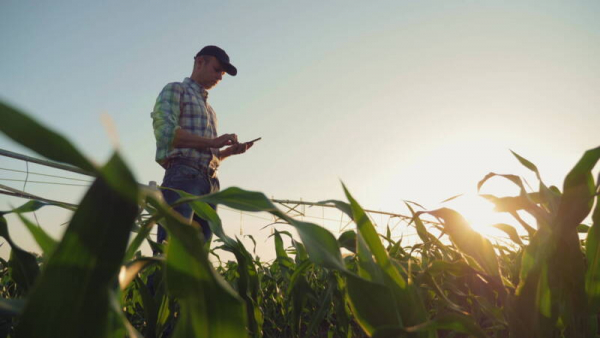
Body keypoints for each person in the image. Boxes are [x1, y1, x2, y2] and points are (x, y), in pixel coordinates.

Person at [151, 45, 253, 246]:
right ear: (200, 62)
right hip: (183, 178)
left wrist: (226, 153)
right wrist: (212, 142)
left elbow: (204, 152)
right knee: (171, 253)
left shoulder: (210, 110)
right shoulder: (175, 89)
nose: (220, 77)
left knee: (198, 262)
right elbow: (165, 133)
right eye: (217, 70)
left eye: (223, 73)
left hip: (210, 183)